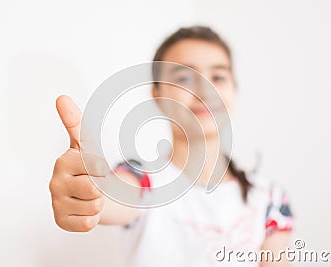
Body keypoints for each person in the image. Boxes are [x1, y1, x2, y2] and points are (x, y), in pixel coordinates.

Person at [49, 26, 293, 267]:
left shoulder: (268, 198)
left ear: (234, 90)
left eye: (218, 77)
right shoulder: (142, 181)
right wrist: (89, 195)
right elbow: (112, 196)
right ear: (157, 94)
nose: (206, 90)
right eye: (184, 78)